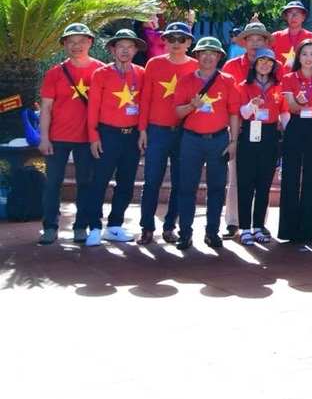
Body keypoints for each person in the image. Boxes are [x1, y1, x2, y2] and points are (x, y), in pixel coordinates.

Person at [36, 24, 104, 245]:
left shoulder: (102, 71)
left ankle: (80, 226)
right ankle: (50, 227)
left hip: (88, 139)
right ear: (64, 44)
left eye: (81, 41)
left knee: (85, 183)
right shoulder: (54, 73)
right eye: (71, 42)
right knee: (52, 183)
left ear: (90, 42)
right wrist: (44, 137)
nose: (77, 46)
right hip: (57, 137)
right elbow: (46, 108)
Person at [173, 36, 241, 251]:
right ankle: (185, 233)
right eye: (204, 53)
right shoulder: (186, 80)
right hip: (191, 140)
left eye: (213, 53)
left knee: (217, 188)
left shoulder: (228, 80)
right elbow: (178, 112)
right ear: (197, 56)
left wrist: (233, 141)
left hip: (218, 140)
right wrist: (191, 106)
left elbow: (234, 113)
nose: (208, 57)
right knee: (187, 187)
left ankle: (212, 232)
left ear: (219, 57)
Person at [137, 21, 197, 245]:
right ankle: (147, 228)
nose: (176, 43)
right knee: (152, 181)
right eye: (171, 38)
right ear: (164, 41)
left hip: (185, 133)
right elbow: (145, 99)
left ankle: (170, 226)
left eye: (181, 39)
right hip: (157, 131)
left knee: (180, 183)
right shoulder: (154, 64)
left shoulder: (196, 66)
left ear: (189, 42)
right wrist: (142, 129)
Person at [84, 28, 145, 245]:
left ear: (135, 50)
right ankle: (94, 227)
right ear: (112, 49)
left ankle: (115, 225)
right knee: (99, 181)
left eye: (130, 47)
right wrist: (93, 136)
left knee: (126, 183)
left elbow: (145, 105)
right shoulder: (101, 74)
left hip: (132, 136)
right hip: (107, 134)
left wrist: (142, 131)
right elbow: (93, 108)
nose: (125, 51)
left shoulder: (142, 73)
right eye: (121, 46)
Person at [235, 47, 286, 245]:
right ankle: (244, 228)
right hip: (249, 134)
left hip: (270, 135)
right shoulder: (244, 86)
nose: (265, 65)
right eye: (261, 61)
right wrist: (252, 106)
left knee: (264, 184)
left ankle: (258, 226)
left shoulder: (278, 87)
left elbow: (284, 113)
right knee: (246, 183)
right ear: (254, 64)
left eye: (269, 62)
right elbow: (243, 114)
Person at [279, 40, 312, 244]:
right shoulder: (289, 78)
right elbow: (291, 106)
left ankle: (310, 229)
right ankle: (288, 229)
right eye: (305, 54)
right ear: (298, 56)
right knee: (291, 175)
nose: (308, 58)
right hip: (296, 126)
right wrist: (298, 101)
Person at [271, 0, 312, 67]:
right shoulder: (275, 36)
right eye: (290, 13)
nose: (294, 16)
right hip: (279, 73)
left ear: (303, 17)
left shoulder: (311, 37)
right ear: (286, 17)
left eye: (297, 13)